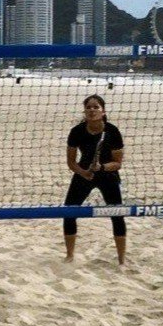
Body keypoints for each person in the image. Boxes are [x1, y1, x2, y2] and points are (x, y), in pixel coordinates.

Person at [63, 94, 126, 264]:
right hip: (84, 173)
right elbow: (70, 162)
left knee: (117, 215)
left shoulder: (112, 131)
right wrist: (83, 173)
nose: (92, 110)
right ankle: (69, 255)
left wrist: (102, 167)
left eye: (96, 107)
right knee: (68, 212)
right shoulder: (77, 131)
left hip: (108, 175)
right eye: (88, 107)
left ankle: (121, 259)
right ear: (84, 111)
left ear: (103, 111)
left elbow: (118, 163)